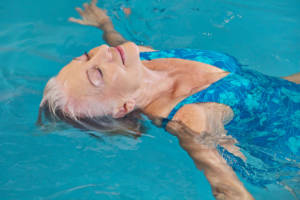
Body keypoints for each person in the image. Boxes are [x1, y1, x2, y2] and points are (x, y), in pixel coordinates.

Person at [38, 0, 300, 199]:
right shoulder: (189, 117)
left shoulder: (140, 60)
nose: (102, 54)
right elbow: (224, 185)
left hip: (286, 87)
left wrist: (104, 25)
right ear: (124, 107)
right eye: (96, 74)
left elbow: (116, 44)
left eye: (85, 56)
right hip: (288, 141)